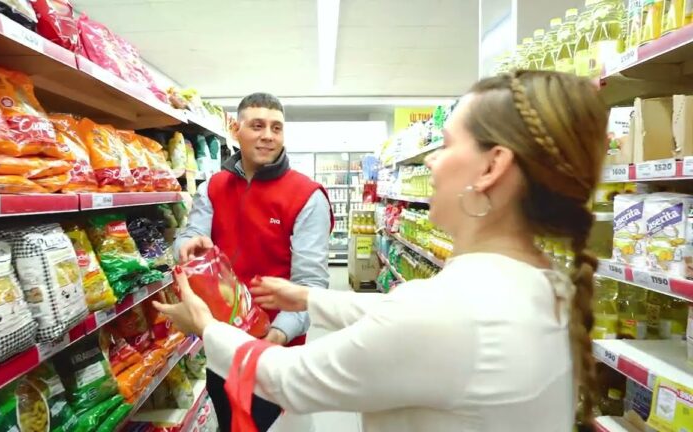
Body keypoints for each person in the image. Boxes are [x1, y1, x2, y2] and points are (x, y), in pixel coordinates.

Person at [157, 70, 606, 431]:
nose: (430, 159)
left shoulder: (447, 311)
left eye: (447, 144)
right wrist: (312, 298)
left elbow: (287, 380)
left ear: (492, 167)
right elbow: (399, 317)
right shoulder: (544, 285)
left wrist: (204, 325)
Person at [173, 92, 333, 432]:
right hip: (222, 343)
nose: (268, 135)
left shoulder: (306, 196)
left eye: (277, 127)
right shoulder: (213, 187)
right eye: (257, 125)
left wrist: (275, 336)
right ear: (236, 130)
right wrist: (188, 245)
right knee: (229, 420)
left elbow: (311, 284)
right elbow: (187, 235)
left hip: (277, 350)